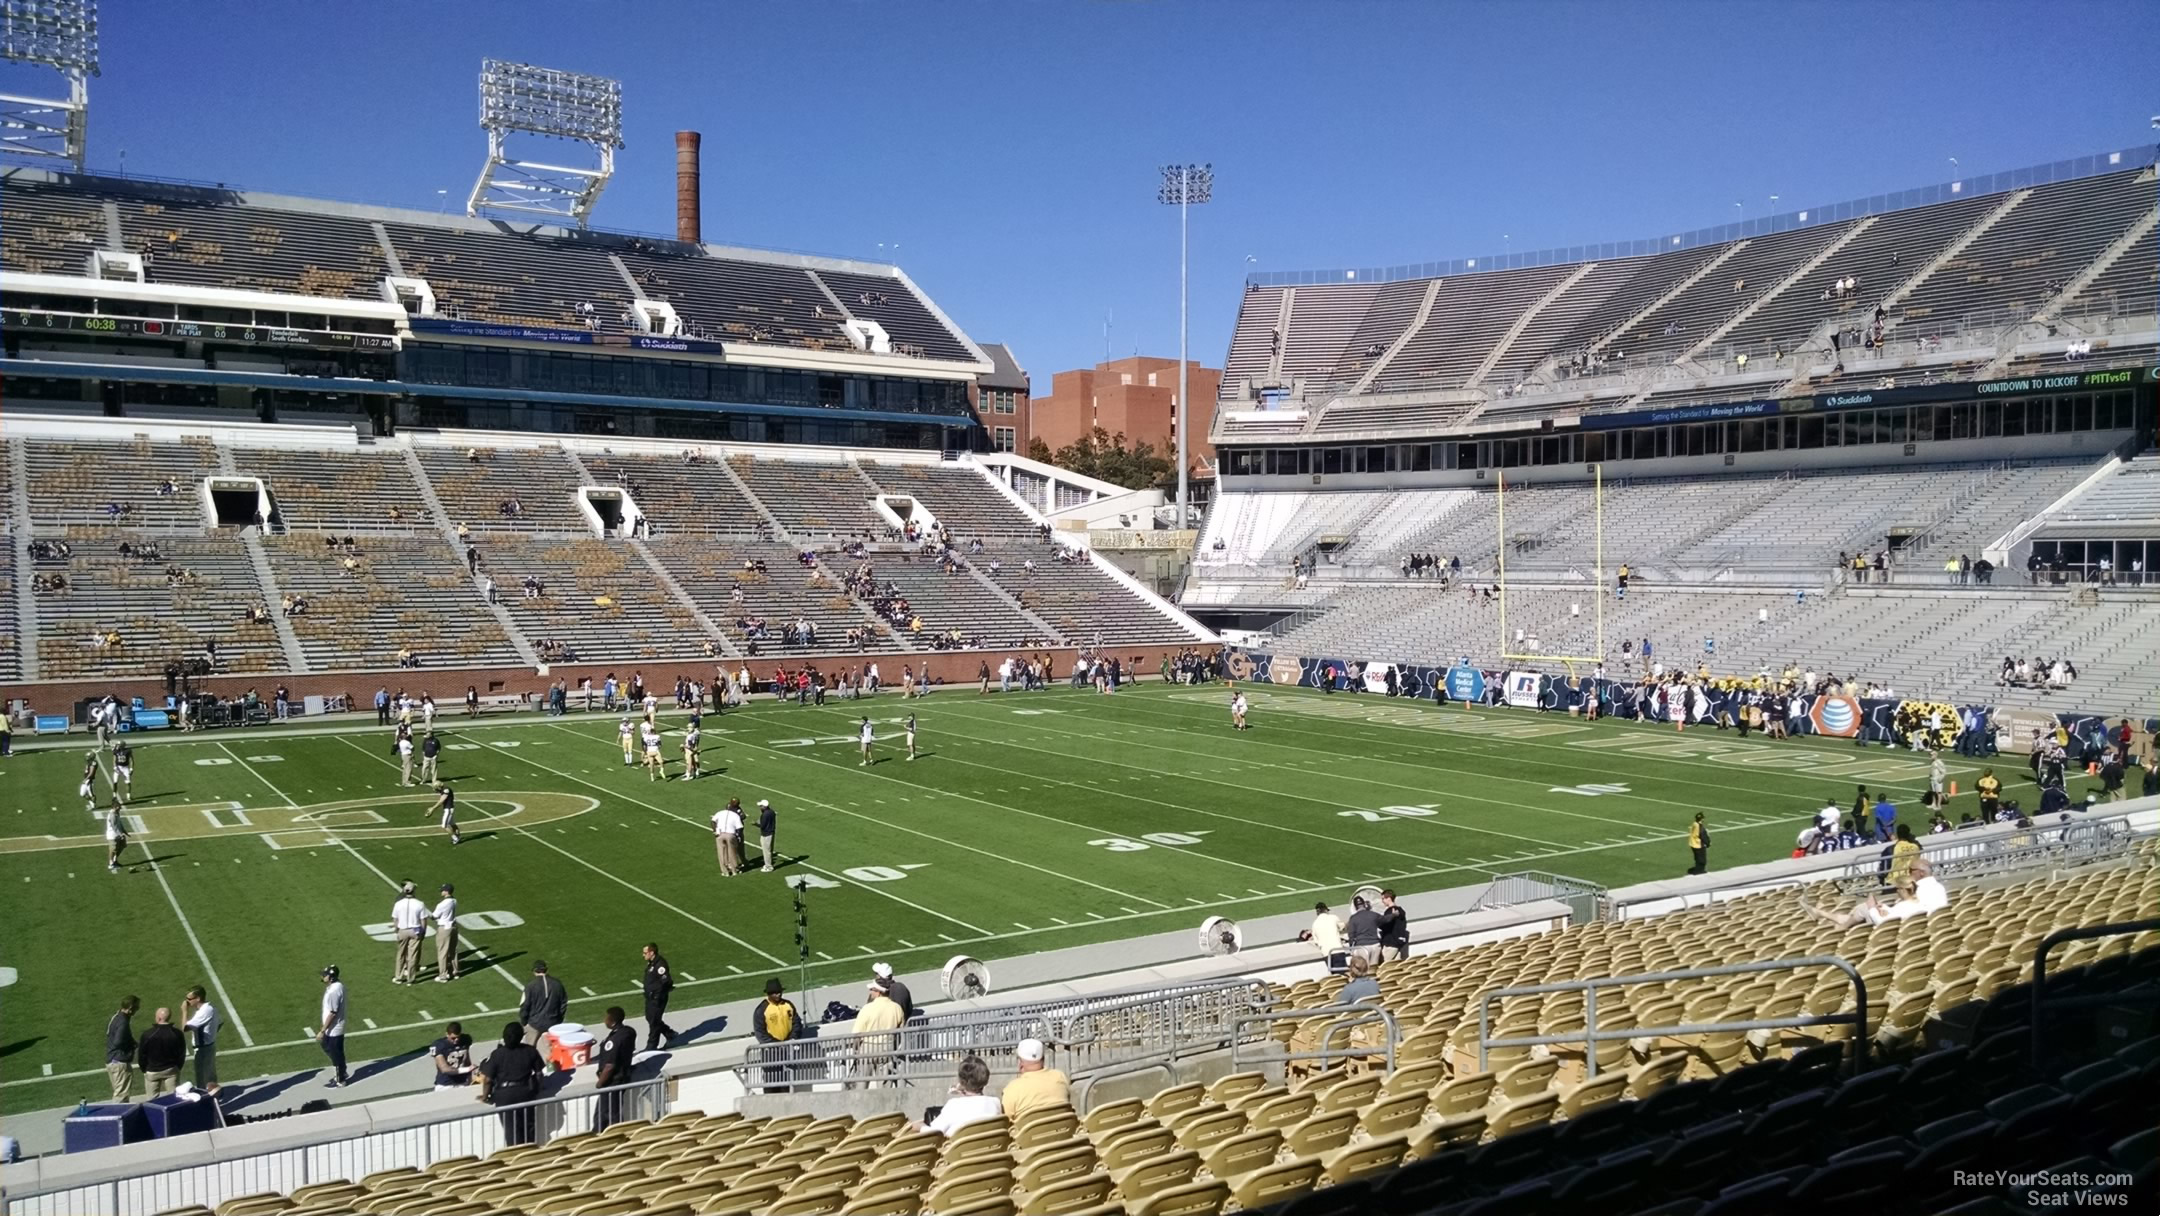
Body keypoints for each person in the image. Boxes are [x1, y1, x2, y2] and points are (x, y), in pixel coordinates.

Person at [476, 1022, 545, 1146]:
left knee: (512, 1132)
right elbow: (540, 1073)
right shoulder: (530, 1051)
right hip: (526, 1093)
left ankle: (516, 1158)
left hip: (505, 1096)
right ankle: (530, 1154)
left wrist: (485, 1096)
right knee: (528, 1129)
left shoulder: (497, 1054)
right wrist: (537, 1089)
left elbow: (487, 1080)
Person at [921, 1056, 1002, 1135]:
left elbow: (933, 1134)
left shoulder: (953, 1106)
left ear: (961, 1081)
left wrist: (920, 1127)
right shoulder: (995, 1103)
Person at [750, 978, 803, 1094]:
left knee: (787, 1082)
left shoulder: (788, 1005)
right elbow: (760, 1032)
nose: (778, 995)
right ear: (768, 994)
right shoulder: (762, 1009)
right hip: (770, 1052)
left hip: (788, 1050)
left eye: (779, 992)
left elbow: (797, 1023)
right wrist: (776, 1044)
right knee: (771, 1083)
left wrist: (792, 1039)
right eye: (775, 993)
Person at [849, 980, 907, 1087]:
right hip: (887, 1048)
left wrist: (855, 1051)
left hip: (867, 1048)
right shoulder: (896, 1008)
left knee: (861, 1084)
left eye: (872, 990)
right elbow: (901, 1030)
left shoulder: (867, 1008)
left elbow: (856, 1034)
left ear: (878, 992)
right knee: (884, 1085)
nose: (870, 992)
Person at [999, 1038, 1071, 1122]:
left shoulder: (1012, 1089)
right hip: (1060, 1133)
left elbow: (1005, 1121)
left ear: (1020, 1064)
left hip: (1027, 1134)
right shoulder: (1060, 1076)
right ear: (1043, 1059)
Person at [592, 1006, 641, 1132]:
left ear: (612, 1021)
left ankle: (608, 1134)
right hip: (623, 1075)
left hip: (612, 1081)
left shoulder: (614, 1040)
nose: (604, 1020)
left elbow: (609, 1065)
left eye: (606, 1018)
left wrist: (600, 1083)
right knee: (614, 1109)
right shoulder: (628, 1032)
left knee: (607, 1112)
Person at [137, 1007, 186, 1097]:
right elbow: (181, 1053)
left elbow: (142, 1055)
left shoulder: (148, 1034)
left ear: (159, 1018)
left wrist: (144, 1070)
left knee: (152, 1100)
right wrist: (178, 1067)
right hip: (171, 1070)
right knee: (174, 1098)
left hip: (152, 1071)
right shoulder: (177, 1033)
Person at [314, 965, 350, 1087]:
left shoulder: (334, 991)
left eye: (325, 975)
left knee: (335, 1053)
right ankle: (342, 1070)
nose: (323, 976)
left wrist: (322, 1030)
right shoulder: (337, 987)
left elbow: (333, 1012)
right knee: (331, 1048)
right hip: (334, 1027)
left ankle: (340, 1079)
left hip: (334, 1028)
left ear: (331, 977)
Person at [519, 961, 568, 1046]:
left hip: (534, 1023)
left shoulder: (530, 986)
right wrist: (559, 1019)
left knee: (530, 1050)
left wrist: (524, 1022)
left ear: (534, 971)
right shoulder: (557, 984)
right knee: (549, 1051)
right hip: (553, 1022)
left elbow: (524, 1006)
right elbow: (563, 1003)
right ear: (546, 970)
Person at [641, 944, 677, 1051]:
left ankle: (652, 1046)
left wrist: (658, 995)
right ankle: (669, 1033)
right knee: (650, 1018)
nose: (643, 955)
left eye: (645, 953)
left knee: (654, 1022)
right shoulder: (652, 963)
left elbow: (666, 981)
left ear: (652, 953)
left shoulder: (660, 964)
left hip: (657, 998)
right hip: (650, 997)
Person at [391, 881, 428, 984]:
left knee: (400, 954)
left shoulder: (398, 903)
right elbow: (423, 920)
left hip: (402, 930)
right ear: (413, 891)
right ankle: (411, 978)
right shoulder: (420, 903)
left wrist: (397, 930)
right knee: (412, 955)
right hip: (414, 931)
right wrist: (423, 932)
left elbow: (395, 919)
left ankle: (398, 977)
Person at [105, 995, 140, 1102]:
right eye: (136, 1008)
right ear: (130, 1008)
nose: (137, 1010)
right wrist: (131, 1046)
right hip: (119, 1062)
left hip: (112, 1060)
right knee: (121, 1096)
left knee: (119, 1093)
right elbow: (118, 1041)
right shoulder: (123, 1022)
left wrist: (133, 1042)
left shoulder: (116, 1016)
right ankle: (117, 1117)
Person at [430, 1020, 474, 1088]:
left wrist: (470, 1077)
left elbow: (467, 1061)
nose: (456, 1040)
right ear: (447, 1034)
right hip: (445, 1084)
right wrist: (467, 1069)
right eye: (453, 1038)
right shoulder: (439, 1045)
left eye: (458, 1037)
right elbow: (444, 1069)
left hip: (462, 1081)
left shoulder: (465, 1040)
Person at [431, 883, 461, 982]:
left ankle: (443, 975)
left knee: (442, 952)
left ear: (446, 891)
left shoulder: (442, 904)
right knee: (453, 951)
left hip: (444, 928)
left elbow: (434, 916)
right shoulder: (454, 901)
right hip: (453, 927)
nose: (441, 891)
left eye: (442, 890)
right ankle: (455, 971)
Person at [1345, 896, 1383, 969]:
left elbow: (1351, 935)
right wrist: (1393, 915)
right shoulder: (1372, 914)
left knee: (1364, 969)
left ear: (1355, 906)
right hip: (1375, 945)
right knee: (1374, 969)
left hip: (1362, 947)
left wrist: (1351, 949)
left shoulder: (1354, 918)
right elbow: (1385, 919)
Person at [713, 798, 745, 877]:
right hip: (731, 834)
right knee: (732, 852)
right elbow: (740, 827)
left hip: (720, 834)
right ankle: (734, 870)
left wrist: (715, 830)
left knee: (721, 853)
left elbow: (713, 821)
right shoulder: (735, 815)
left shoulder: (720, 813)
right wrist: (738, 836)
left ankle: (725, 872)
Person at [1377, 890, 1409, 962]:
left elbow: (1385, 925)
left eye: (1383, 899)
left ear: (1389, 898)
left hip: (1390, 943)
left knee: (1384, 965)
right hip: (1399, 943)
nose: (1382, 901)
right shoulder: (1401, 911)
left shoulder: (1389, 912)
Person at [430, 782, 462, 847]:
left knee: (444, 826)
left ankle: (455, 838)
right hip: (449, 809)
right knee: (452, 824)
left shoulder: (446, 790)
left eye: (435, 788)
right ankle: (457, 836)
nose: (435, 790)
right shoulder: (444, 789)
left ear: (438, 787)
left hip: (448, 809)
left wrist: (433, 808)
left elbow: (441, 800)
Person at [105, 800, 129, 874]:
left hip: (118, 834)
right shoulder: (112, 815)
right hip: (112, 835)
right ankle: (110, 864)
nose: (120, 808)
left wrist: (124, 831)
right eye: (119, 807)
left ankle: (115, 860)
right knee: (113, 849)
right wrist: (120, 834)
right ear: (115, 807)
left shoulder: (116, 813)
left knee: (122, 845)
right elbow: (114, 826)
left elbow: (119, 823)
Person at [757, 799, 778, 872]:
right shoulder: (771, 812)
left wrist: (755, 824)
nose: (760, 807)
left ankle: (768, 866)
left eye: (761, 806)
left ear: (764, 807)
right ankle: (768, 864)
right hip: (771, 832)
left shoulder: (765, 814)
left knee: (766, 850)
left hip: (766, 834)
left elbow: (762, 825)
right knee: (769, 849)